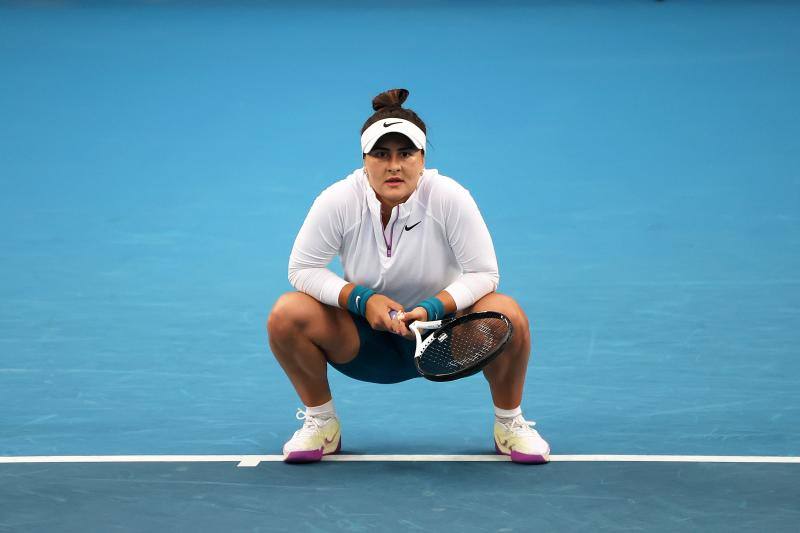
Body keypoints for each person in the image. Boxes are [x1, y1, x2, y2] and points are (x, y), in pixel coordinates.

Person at [267, 88, 549, 464]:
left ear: (422, 158)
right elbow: (301, 269)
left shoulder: (449, 197)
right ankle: (322, 423)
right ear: (364, 160)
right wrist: (362, 300)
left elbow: (485, 273)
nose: (393, 165)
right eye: (381, 154)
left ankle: (509, 424)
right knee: (287, 313)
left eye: (405, 154)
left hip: (446, 338)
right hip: (364, 343)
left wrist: (434, 307)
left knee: (508, 314)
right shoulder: (337, 200)